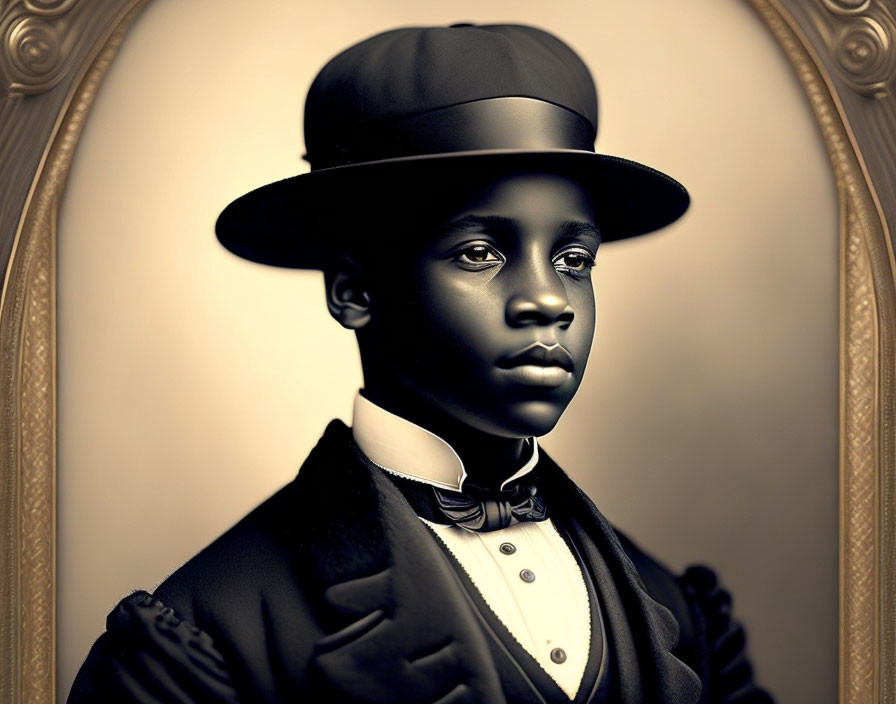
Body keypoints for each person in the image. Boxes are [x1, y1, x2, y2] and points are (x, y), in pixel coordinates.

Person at [68, 23, 774, 703]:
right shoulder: (209, 633)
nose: (546, 300)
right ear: (355, 291)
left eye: (573, 259)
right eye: (480, 253)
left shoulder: (675, 610)